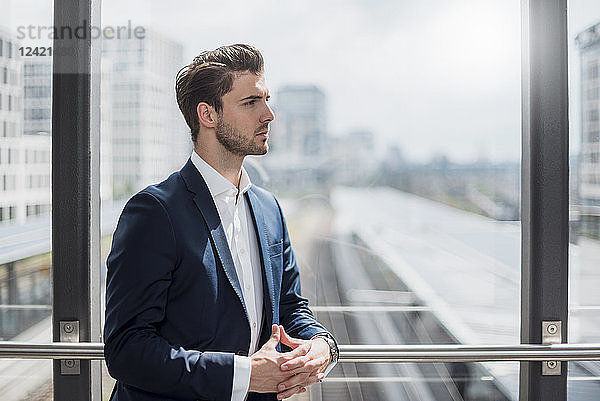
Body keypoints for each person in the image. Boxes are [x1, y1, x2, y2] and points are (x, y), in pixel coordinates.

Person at [103, 44, 338, 401]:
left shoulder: (268, 208)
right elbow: (127, 350)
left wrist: (323, 346)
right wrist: (244, 375)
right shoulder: (154, 211)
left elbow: (291, 307)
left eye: (266, 100)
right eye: (251, 103)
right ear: (208, 115)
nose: (269, 115)